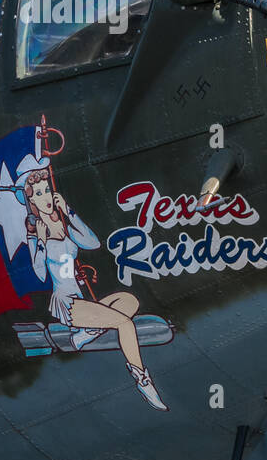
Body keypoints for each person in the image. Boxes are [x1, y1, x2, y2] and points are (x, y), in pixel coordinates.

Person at [22, 168, 167, 411]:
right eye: (39, 193)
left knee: (129, 301)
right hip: (67, 303)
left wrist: (69, 212)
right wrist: (38, 242)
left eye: (47, 189)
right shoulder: (38, 233)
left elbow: (92, 242)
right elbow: (38, 273)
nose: (46, 196)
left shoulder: (63, 225)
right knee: (124, 323)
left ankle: (86, 333)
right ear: (32, 200)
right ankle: (143, 379)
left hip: (81, 302)